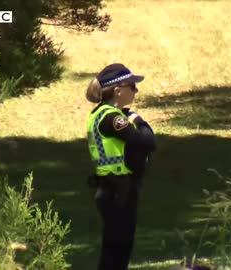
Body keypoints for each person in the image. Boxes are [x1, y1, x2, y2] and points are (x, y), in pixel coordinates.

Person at [85, 63, 156, 270]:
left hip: (111, 188)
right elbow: (147, 142)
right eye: (132, 86)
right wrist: (138, 120)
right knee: (117, 254)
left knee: (114, 250)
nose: (136, 90)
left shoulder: (101, 114)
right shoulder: (112, 117)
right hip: (119, 191)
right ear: (118, 90)